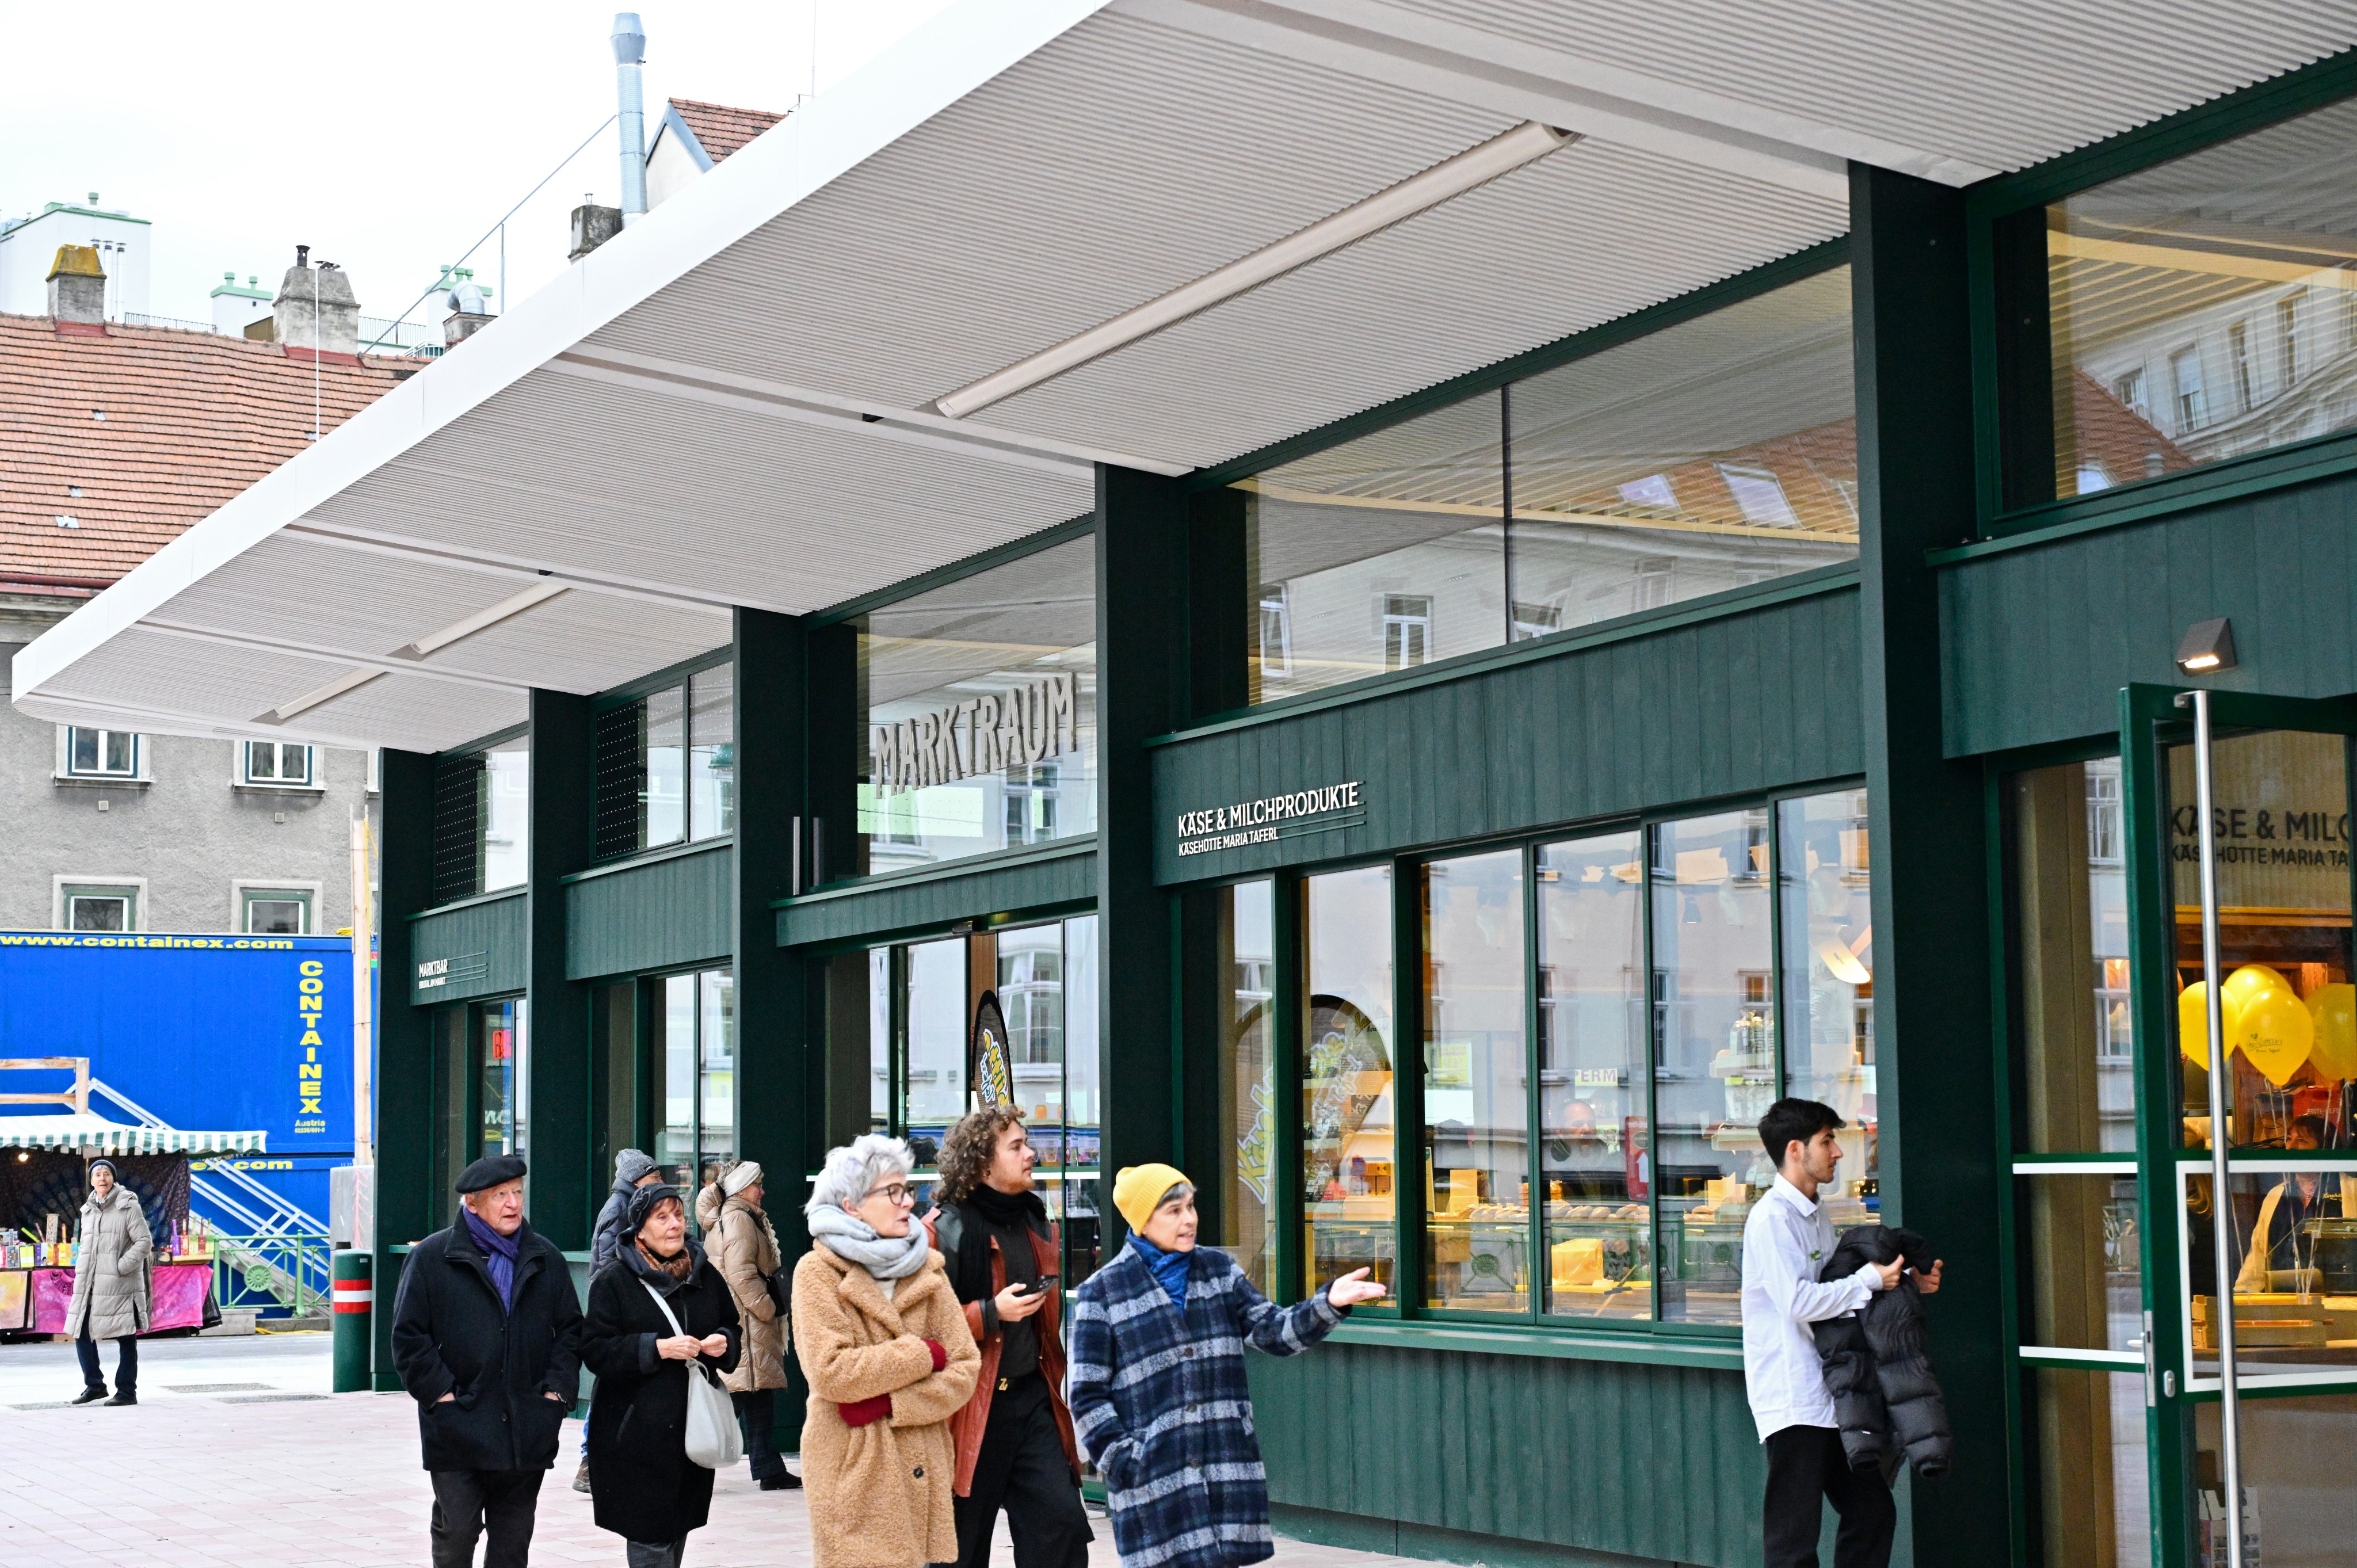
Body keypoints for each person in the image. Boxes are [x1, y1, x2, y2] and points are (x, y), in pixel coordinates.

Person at [1067, 1163, 1386, 1568]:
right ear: (1142, 1222)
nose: (1189, 1219)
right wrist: (1126, 1461)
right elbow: (1087, 1396)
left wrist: (1328, 1303)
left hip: (1224, 1469)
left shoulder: (1218, 1271)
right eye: (1174, 1211)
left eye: (1191, 1206)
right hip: (1154, 1483)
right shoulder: (1103, 1292)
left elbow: (1273, 1331)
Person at [1742, 1099, 1943, 1568]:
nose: (1837, 1151)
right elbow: (1797, 1302)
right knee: (1793, 1539)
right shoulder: (1772, 1219)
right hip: (1794, 1398)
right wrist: (1870, 1280)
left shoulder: (1816, 1212)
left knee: (1872, 1512)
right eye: (1827, 1140)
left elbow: (1837, 1288)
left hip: (1834, 1394)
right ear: (1796, 1149)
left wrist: (1904, 1281)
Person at [792, 1134, 981, 1568]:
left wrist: (888, 1403)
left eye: (907, 1189)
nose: (907, 1202)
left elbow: (964, 1367)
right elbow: (831, 1372)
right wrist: (921, 1355)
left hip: (922, 1465)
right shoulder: (818, 1272)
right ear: (852, 1206)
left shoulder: (926, 1266)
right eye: (892, 1192)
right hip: (853, 1468)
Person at [390, 1155, 583, 1568]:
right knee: (458, 1533)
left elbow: (570, 1331)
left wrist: (555, 1393)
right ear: (472, 1204)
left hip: (525, 1425)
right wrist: (441, 1394)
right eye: (500, 1195)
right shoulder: (433, 1257)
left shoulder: (544, 1257)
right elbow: (408, 1337)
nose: (513, 1203)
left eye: (517, 1193)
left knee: (512, 1544)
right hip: (457, 1422)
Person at [924, 1108, 1091, 1568]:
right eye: (1016, 1146)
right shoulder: (942, 1230)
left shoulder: (1035, 1220)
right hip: (967, 1409)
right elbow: (919, 1329)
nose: (1030, 1153)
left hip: (1031, 1399)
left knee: (1061, 1525)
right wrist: (989, 1313)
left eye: (1026, 1143)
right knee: (958, 1550)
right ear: (982, 1163)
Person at [580, 1184, 742, 1568]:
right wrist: (656, 1348)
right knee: (651, 1537)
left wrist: (724, 1341)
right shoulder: (615, 1280)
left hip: (691, 1433)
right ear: (639, 1229)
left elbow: (731, 1324)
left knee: (676, 1528)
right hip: (634, 1435)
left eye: (679, 1215)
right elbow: (596, 1350)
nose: (675, 1225)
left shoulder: (704, 1274)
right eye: (662, 1217)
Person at [696, 1159, 800, 1490]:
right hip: (748, 1321)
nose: (762, 1191)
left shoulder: (737, 1215)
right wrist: (767, 1309)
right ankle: (695, 1467)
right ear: (741, 1188)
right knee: (735, 1398)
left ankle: (769, 1468)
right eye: (758, 1184)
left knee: (758, 1394)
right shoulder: (738, 1217)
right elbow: (741, 1273)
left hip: (745, 1319)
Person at [577, 1148, 665, 1493]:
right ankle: (588, 1462)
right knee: (609, 1382)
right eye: (654, 1176)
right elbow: (607, 1262)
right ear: (637, 1179)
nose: (660, 1181)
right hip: (617, 1311)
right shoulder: (619, 1208)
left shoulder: (632, 1204)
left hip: (628, 1306)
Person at [65, 1157, 150, 1407]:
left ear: (113, 1178)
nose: (102, 1178)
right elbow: (87, 1249)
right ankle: (95, 1386)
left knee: (126, 1336)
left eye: (106, 1174)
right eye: (97, 1175)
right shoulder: (88, 1210)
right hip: (91, 1285)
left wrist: (119, 1267)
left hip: (121, 1284)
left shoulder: (127, 1205)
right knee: (81, 1331)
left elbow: (144, 1242)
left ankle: (127, 1391)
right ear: (91, 1181)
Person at [2236, 1114, 2343, 1293]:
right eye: (2289, 1140)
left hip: (2338, 1297)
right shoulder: (2276, 1195)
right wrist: (2241, 1294)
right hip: (2283, 1297)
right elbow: (2258, 1254)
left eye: (2301, 1141)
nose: (2290, 1147)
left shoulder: (2349, 1189)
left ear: (2324, 1148)